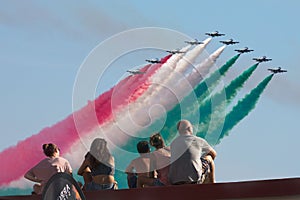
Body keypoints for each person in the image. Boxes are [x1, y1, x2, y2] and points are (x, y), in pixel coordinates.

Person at [168, 120, 217, 185]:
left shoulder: (173, 143)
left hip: (175, 182)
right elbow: (214, 154)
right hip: (194, 181)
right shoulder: (198, 140)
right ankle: (213, 185)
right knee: (209, 158)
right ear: (189, 128)